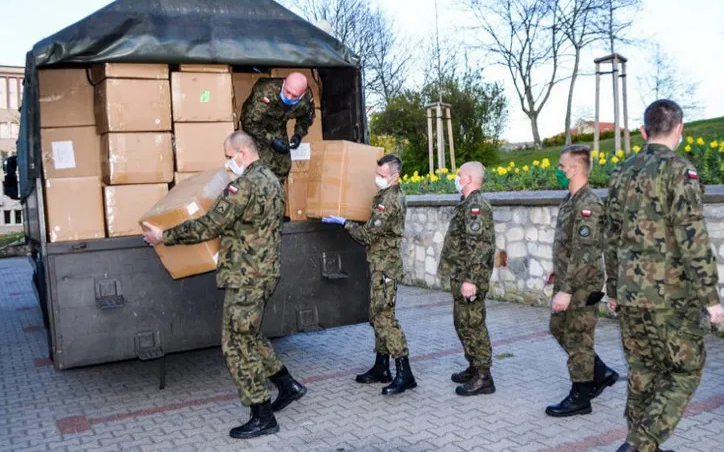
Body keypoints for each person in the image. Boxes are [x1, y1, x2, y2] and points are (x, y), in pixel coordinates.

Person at [142, 131, 306, 439]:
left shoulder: (242, 186)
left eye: (229, 156)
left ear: (242, 154)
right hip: (265, 272)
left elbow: (209, 225)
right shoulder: (272, 180)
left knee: (236, 344)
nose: (228, 162)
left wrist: (164, 236)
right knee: (250, 335)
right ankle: (288, 385)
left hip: (246, 277)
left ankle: (262, 414)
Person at [604, 99, 724, 452]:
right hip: (670, 297)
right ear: (680, 129)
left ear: (644, 131)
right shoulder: (679, 170)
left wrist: (613, 288)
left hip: (630, 293)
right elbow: (693, 238)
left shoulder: (622, 172)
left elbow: (610, 237)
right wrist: (710, 298)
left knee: (643, 370)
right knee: (685, 370)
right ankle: (640, 443)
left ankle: (642, 446)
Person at [321, 154, 417, 395]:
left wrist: (345, 223)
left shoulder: (389, 201)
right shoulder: (385, 195)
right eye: (377, 173)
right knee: (376, 315)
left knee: (385, 318)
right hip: (379, 264)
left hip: (385, 267)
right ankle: (381, 367)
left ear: (395, 176)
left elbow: (366, 235)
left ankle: (405, 373)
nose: (378, 178)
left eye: (382, 175)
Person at [545, 145, 619, 418]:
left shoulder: (588, 205)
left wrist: (565, 290)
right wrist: (558, 271)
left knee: (578, 337)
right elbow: (569, 245)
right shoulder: (570, 199)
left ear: (574, 169)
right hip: (569, 278)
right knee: (558, 327)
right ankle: (599, 372)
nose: (559, 170)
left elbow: (584, 253)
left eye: (562, 166)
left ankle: (580, 396)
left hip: (582, 285)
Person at [437, 161, 497, 396]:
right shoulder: (467, 203)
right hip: (461, 275)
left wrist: (471, 280)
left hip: (470, 278)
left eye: (459, 175)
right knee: (462, 323)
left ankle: (484, 377)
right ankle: (474, 366)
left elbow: (479, 246)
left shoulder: (476, 207)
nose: (457, 178)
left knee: (473, 325)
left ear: (469, 179)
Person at [240, 72, 316, 181]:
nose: (289, 97)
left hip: (278, 124)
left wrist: (298, 135)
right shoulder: (266, 92)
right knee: (262, 165)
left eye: (294, 96)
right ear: (284, 83)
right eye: (287, 92)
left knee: (283, 165)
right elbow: (248, 122)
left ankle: (277, 188)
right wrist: (271, 140)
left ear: (302, 94)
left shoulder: (306, 99)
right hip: (257, 124)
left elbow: (306, 118)